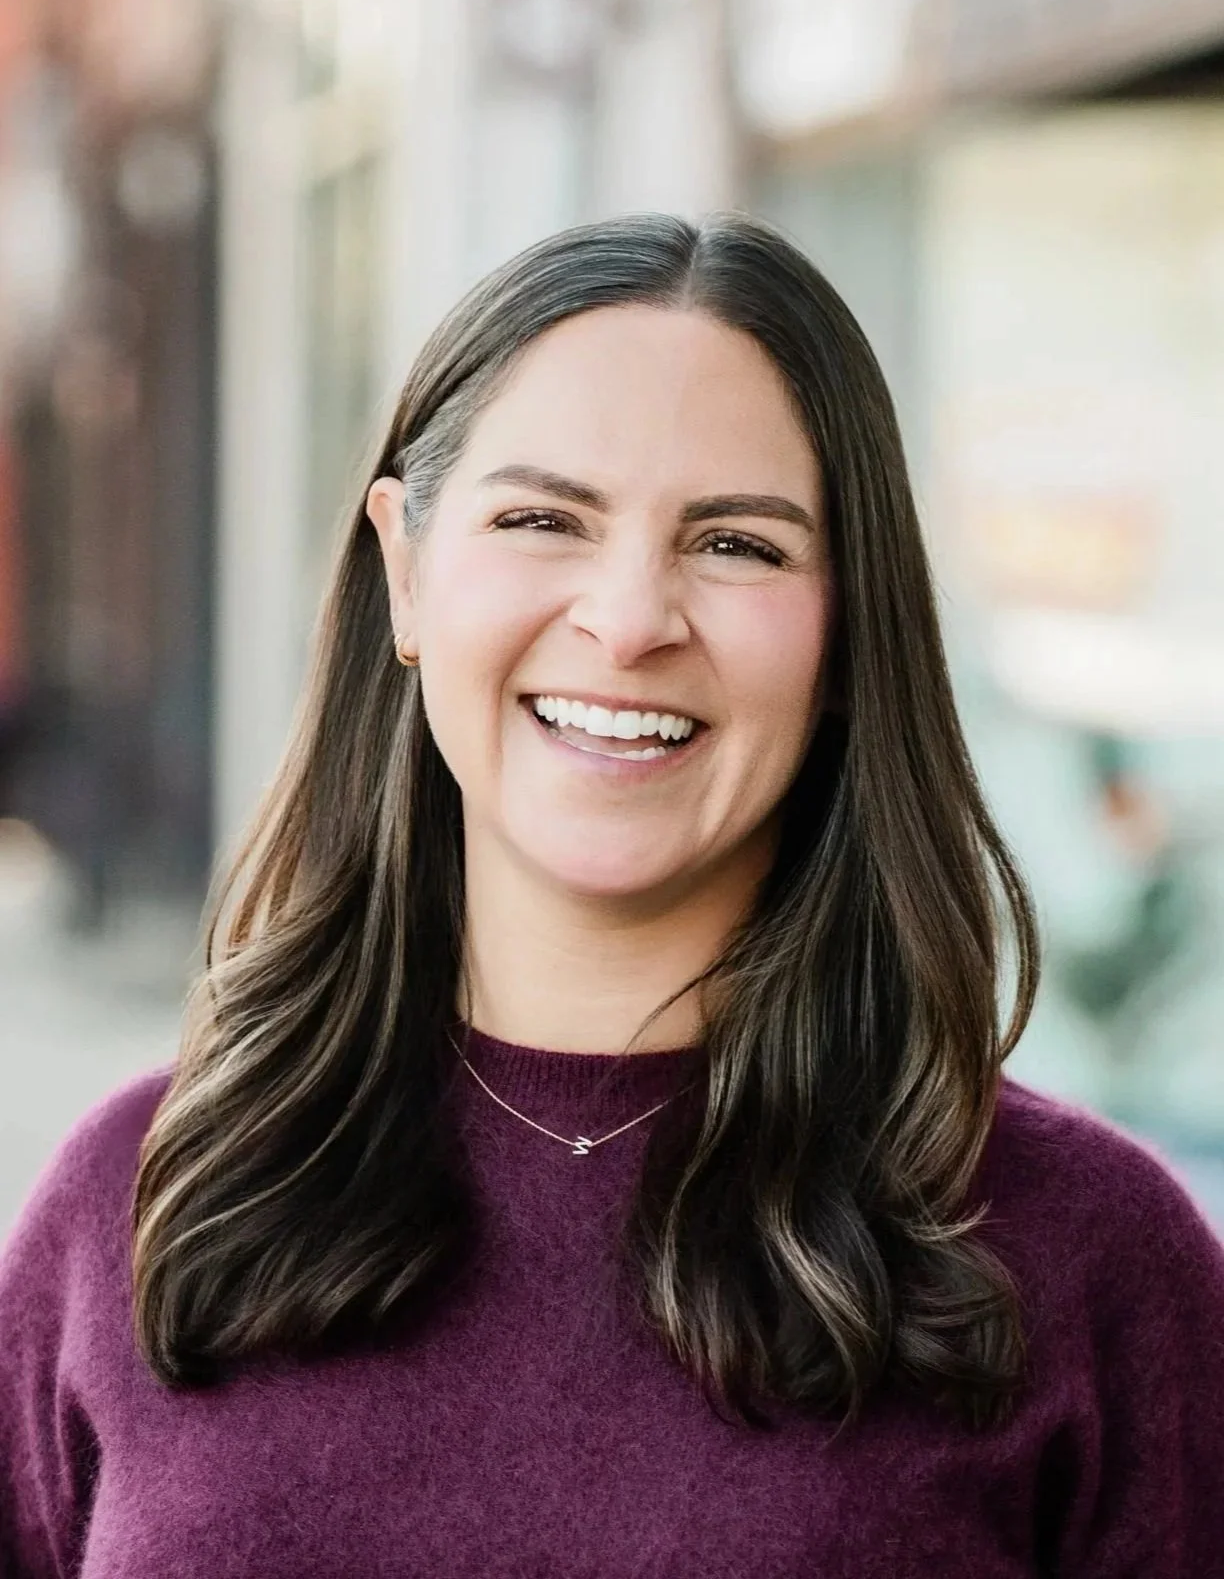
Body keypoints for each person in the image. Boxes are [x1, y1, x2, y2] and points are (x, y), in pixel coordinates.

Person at [1, 213, 1222, 1578]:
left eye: (739, 546)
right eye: (540, 520)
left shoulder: (1086, 1257)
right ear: (405, 568)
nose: (631, 617)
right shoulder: (142, 1199)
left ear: (848, 631)